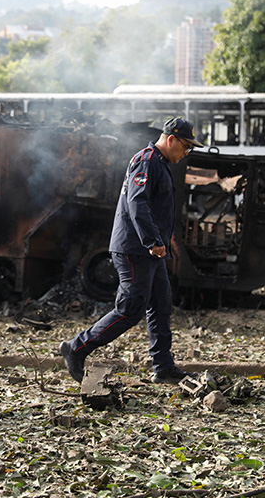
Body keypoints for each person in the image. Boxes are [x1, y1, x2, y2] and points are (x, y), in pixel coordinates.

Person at [60, 117, 203, 384]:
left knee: (161, 303)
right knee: (130, 310)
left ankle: (163, 367)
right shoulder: (147, 160)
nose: (187, 153)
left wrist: (160, 241)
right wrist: (152, 241)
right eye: (186, 147)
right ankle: (76, 347)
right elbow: (138, 203)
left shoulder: (159, 163)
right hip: (136, 249)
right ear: (171, 139)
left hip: (149, 250)